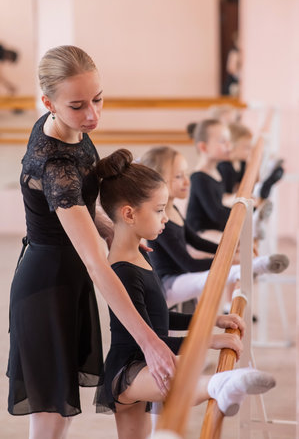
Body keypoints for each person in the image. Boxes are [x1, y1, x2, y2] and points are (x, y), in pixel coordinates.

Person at [6, 45, 176, 439]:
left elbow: (77, 208)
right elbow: (97, 264)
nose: (93, 114)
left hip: (65, 277)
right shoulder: (56, 167)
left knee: (60, 415)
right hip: (46, 286)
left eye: (98, 99)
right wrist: (149, 344)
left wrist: (110, 227)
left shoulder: (67, 127)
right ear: (48, 102)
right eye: (79, 105)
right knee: (50, 417)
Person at [94, 148, 276, 439]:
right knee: (187, 382)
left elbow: (160, 318)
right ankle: (224, 384)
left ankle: (223, 384)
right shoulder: (122, 270)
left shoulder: (142, 254)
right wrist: (210, 340)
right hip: (129, 373)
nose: (166, 218)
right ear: (129, 214)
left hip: (143, 364)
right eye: (159, 210)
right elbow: (155, 339)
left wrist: (212, 320)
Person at [140, 146, 289, 309]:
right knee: (209, 276)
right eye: (178, 176)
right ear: (159, 182)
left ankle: (249, 259)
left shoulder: (173, 209)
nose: (187, 181)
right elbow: (189, 264)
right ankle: (255, 265)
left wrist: (228, 250)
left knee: (212, 273)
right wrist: (231, 260)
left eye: (185, 174)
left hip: (183, 278)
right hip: (169, 285)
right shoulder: (161, 222)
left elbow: (196, 241)